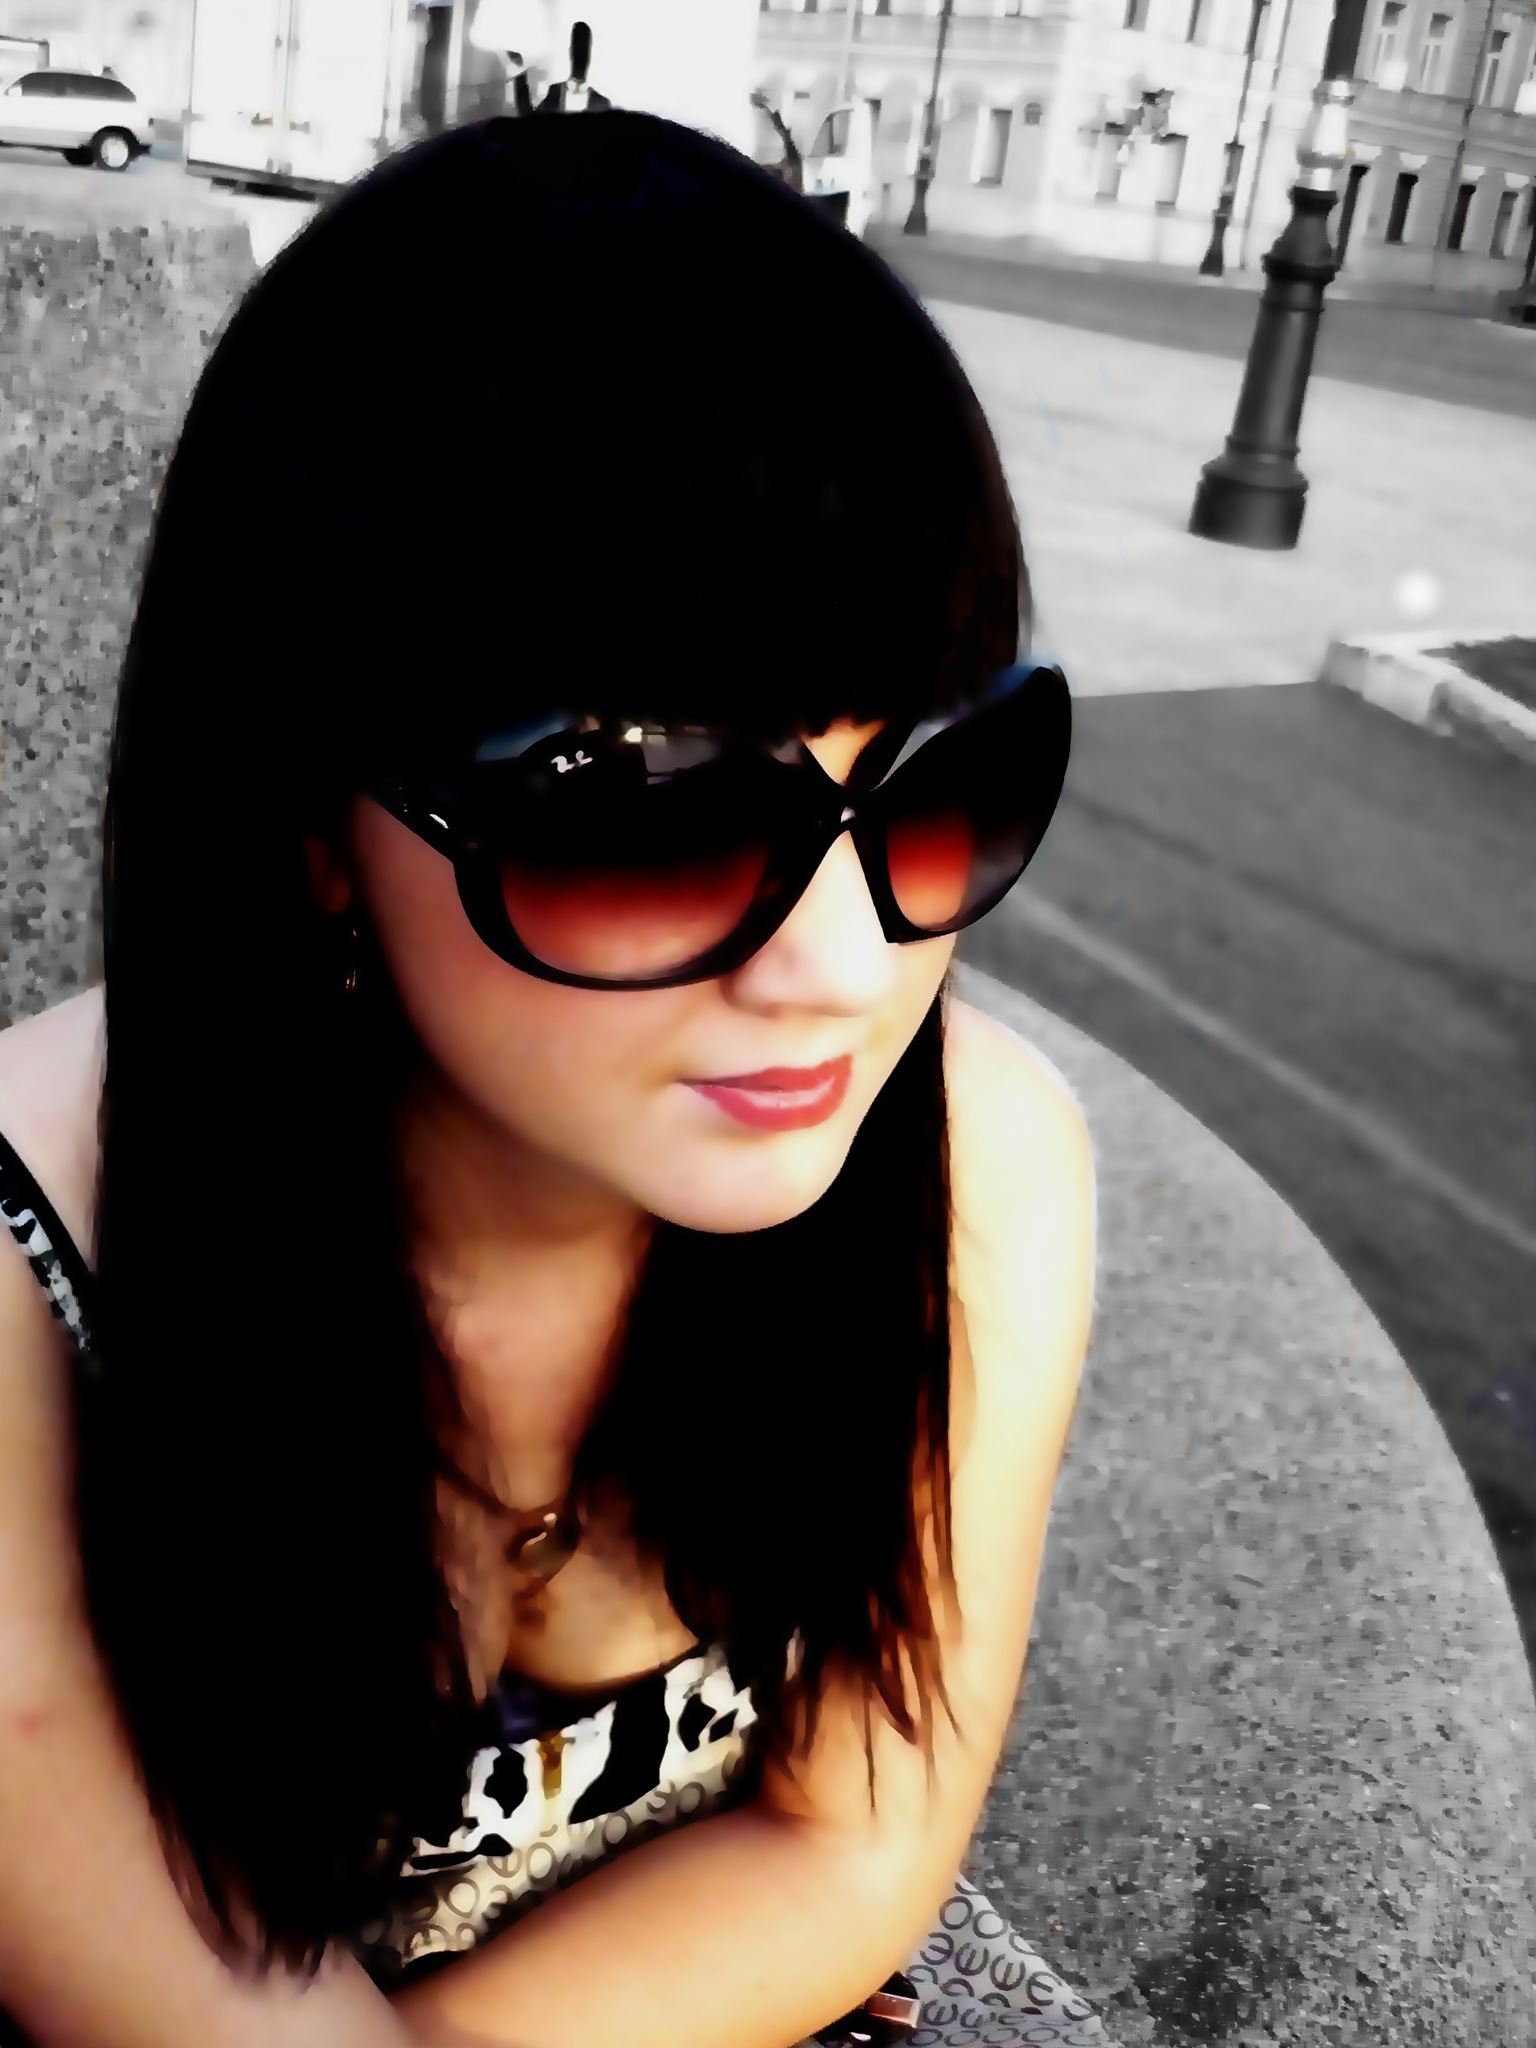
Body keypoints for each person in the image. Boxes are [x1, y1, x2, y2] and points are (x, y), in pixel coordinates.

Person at [0, 113, 1108, 2048]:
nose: (841, 967)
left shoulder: (980, 1171)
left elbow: (858, 1839)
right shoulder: (32, 1277)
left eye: (939, 786)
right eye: (651, 815)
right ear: (311, 825)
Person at [535, 21, 610, 113]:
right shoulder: (553, 95)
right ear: (570, 52)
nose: (580, 56)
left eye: (584, 50)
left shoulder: (601, 103)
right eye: (577, 48)